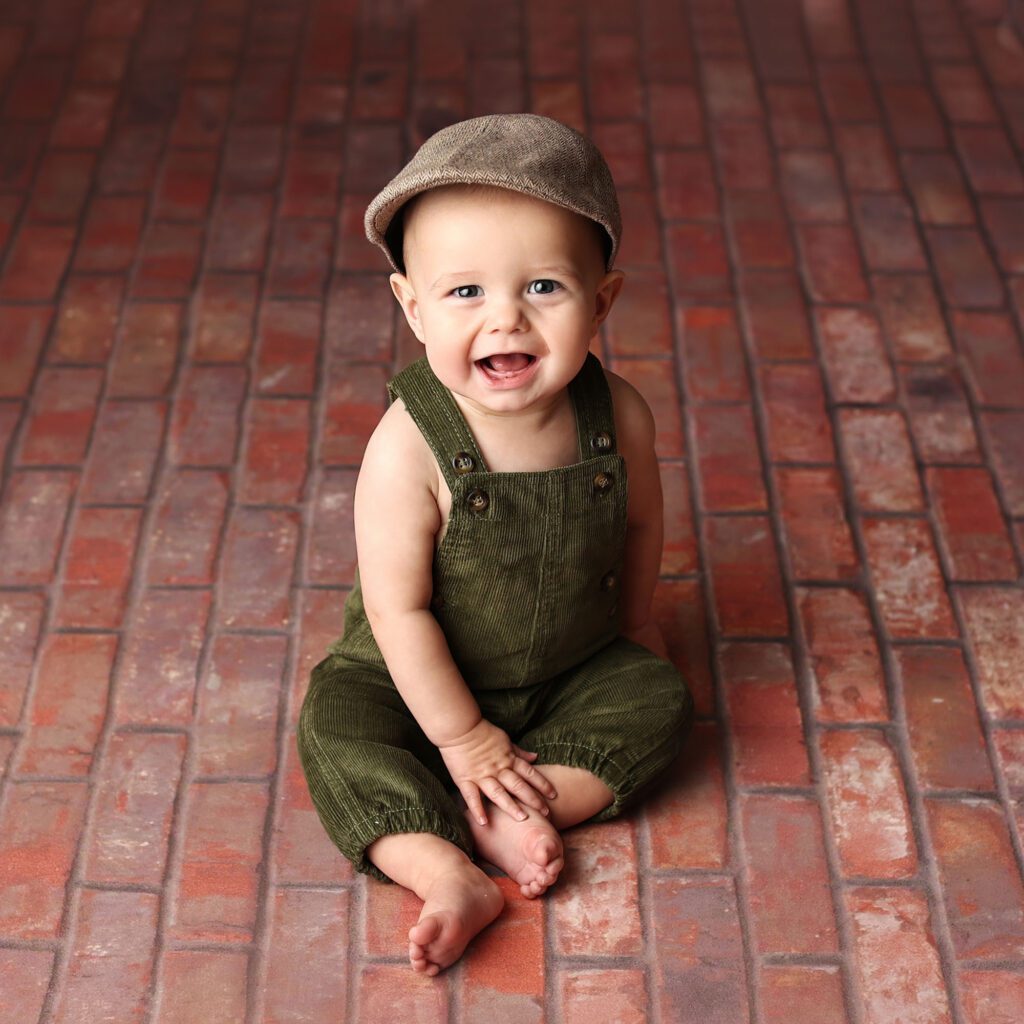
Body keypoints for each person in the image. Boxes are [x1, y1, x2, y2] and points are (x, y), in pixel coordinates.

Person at [298, 113, 693, 976]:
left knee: (659, 700)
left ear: (603, 299)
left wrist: (633, 624)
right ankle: (444, 869)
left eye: (544, 288)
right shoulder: (409, 446)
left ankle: (518, 804)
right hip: (413, 678)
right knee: (336, 727)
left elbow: (638, 523)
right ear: (412, 306)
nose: (506, 319)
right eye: (465, 292)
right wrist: (462, 734)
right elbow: (398, 609)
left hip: (569, 663)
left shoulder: (618, 414)